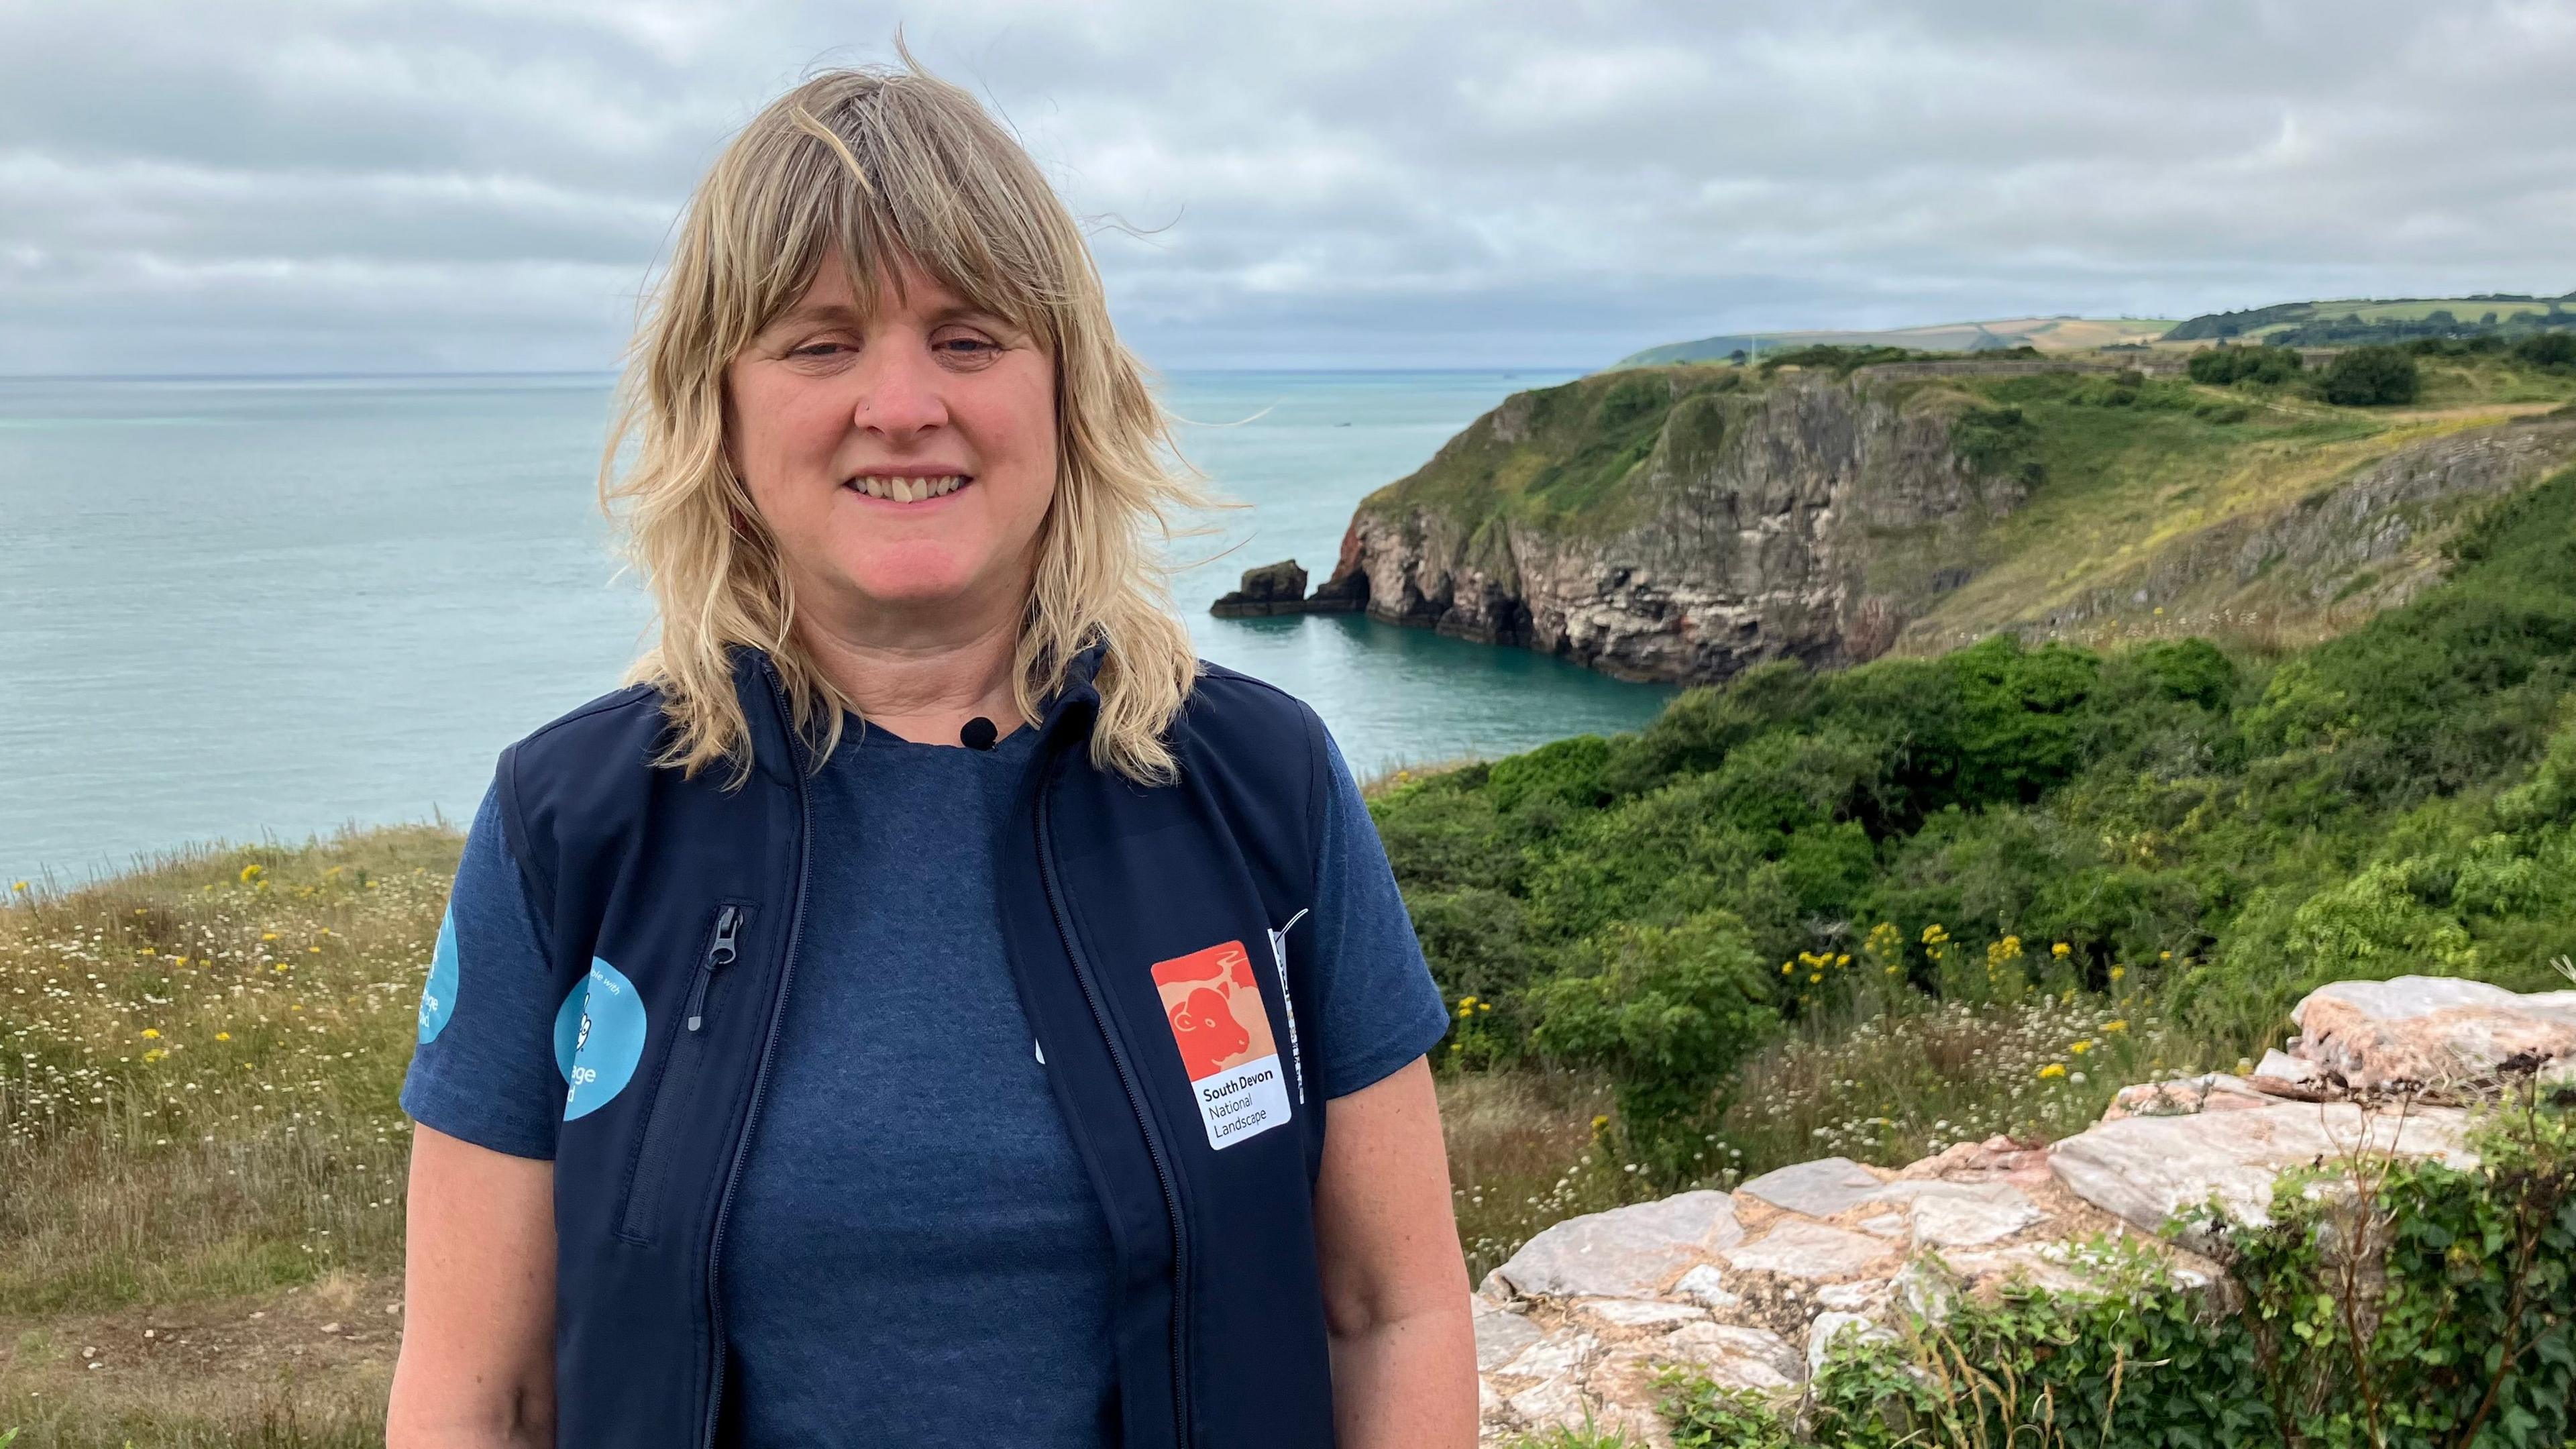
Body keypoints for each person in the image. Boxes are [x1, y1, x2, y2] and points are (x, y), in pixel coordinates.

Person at [383, 55, 1478, 1449]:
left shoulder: (1264, 787)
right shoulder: (571, 826)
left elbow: (1393, 1312)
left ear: (1068, 391)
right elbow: (485, 1392)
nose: (900, 406)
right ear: (718, 409)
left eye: (967, 339)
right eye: (818, 342)